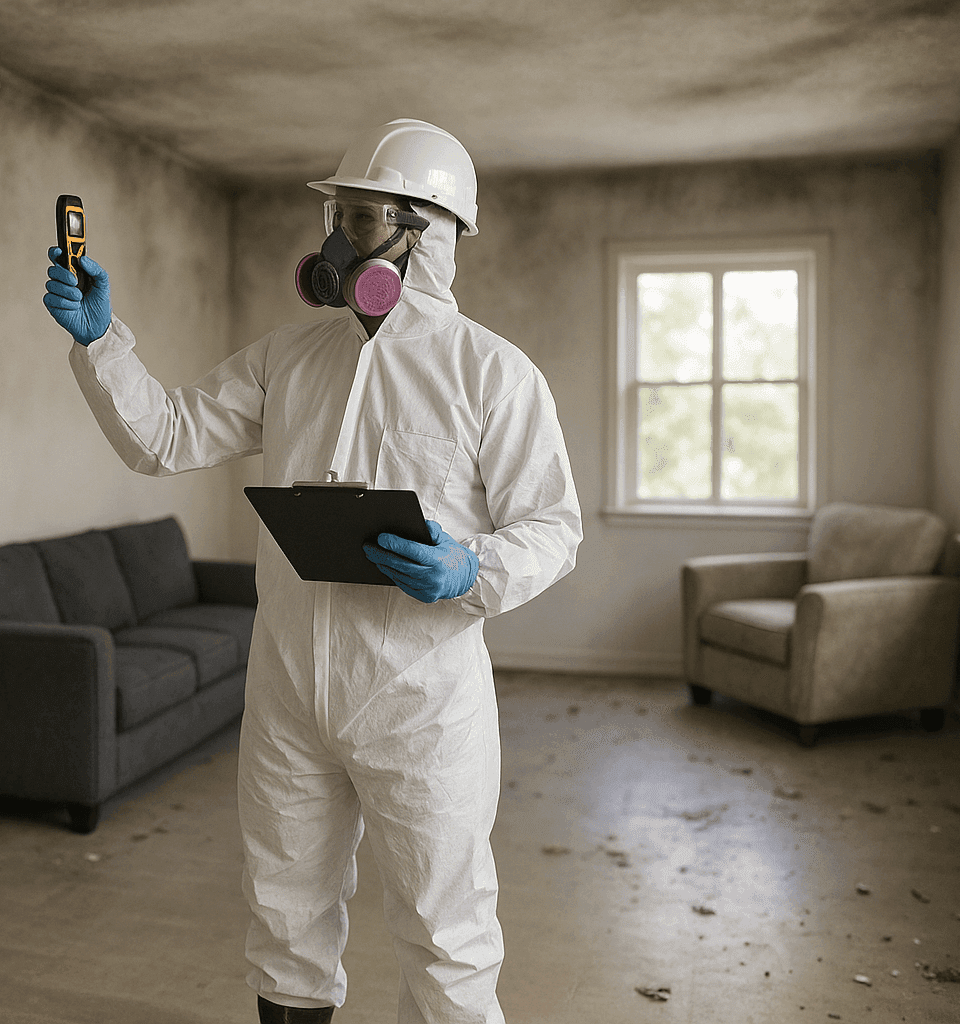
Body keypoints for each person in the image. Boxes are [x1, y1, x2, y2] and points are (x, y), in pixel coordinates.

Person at [42, 118, 581, 1024]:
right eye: (337, 213)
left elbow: (556, 528)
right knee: (284, 927)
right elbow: (167, 438)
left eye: (360, 217)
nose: (336, 240)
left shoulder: (493, 374)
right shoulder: (290, 357)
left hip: (421, 702)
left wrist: (472, 566)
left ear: (427, 231)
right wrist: (103, 343)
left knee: (446, 939)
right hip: (290, 690)